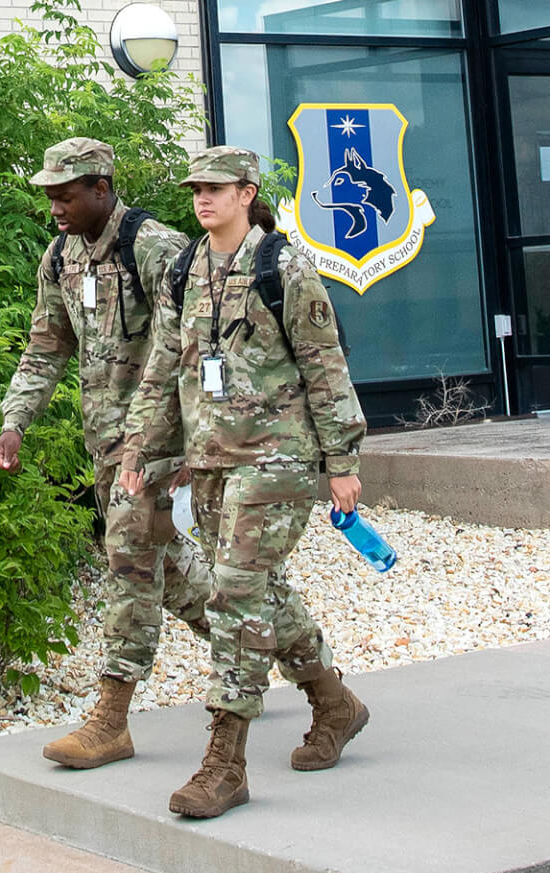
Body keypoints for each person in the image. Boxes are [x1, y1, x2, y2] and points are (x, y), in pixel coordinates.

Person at [119, 145, 369, 819]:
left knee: (234, 594)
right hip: (212, 463)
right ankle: (334, 703)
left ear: (247, 192)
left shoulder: (282, 266)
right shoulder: (184, 270)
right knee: (264, 588)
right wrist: (141, 444)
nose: (203, 199)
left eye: (217, 188)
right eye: (196, 188)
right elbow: (164, 365)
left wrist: (341, 464)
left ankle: (225, 763)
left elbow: (325, 366)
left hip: (277, 459)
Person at [0, 137, 213, 770]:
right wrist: (15, 421)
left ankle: (111, 718)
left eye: (66, 196)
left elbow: (198, 348)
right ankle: (290, 657)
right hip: (107, 445)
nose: (56, 208)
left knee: (128, 564)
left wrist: (186, 446)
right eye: (50, 197)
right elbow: (45, 346)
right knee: (169, 571)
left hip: (156, 447)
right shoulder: (61, 257)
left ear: (101, 188)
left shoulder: (154, 249)